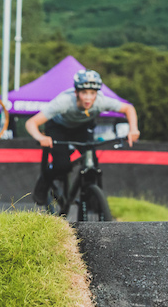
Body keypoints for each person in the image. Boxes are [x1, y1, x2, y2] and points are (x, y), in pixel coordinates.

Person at [26, 69, 139, 209]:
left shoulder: (101, 101)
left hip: (82, 128)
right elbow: (31, 123)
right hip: (58, 128)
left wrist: (133, 129)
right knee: (62, 165)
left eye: (92, 93)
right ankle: (44, 181)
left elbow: (129, 108)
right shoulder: (64, 102)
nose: (88, 98)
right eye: (84, 93)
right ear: (76, 93)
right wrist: (40, 137)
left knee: (92, 164)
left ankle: (91, 197)